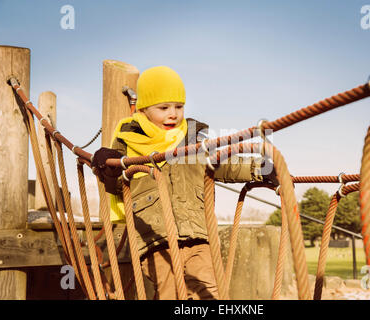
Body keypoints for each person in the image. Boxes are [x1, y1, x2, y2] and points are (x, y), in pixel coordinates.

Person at [92, 66, 278, 300]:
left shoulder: (192, 139)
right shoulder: (129, 140)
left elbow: (220, 163)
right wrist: (106, 166)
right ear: (144, 109)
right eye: (164, 108)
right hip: (154, 240)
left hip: (197, 236)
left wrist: (259, 168)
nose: (173, 114)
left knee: (210, 290)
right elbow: (118, 185)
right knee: (170, 292)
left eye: (178, 107)